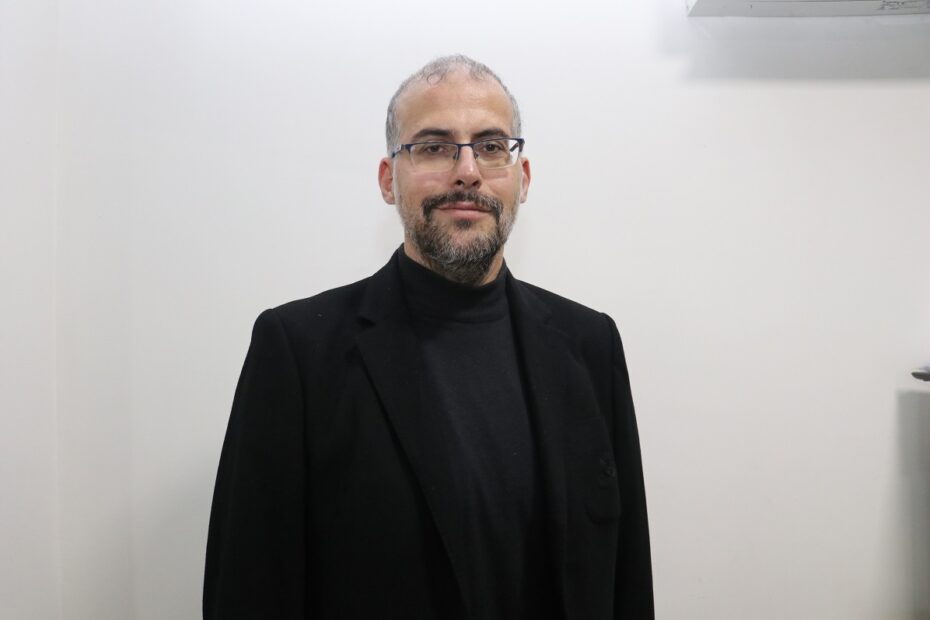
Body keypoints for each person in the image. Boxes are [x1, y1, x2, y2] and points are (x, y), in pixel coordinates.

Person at [203, 55, 654, 620]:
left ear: (523, 177)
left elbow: (626, 575)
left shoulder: (590, 343)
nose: (467, 171)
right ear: (388, 179)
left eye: (491, 146)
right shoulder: (298, 352)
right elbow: (248, 588)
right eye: (435, 146)